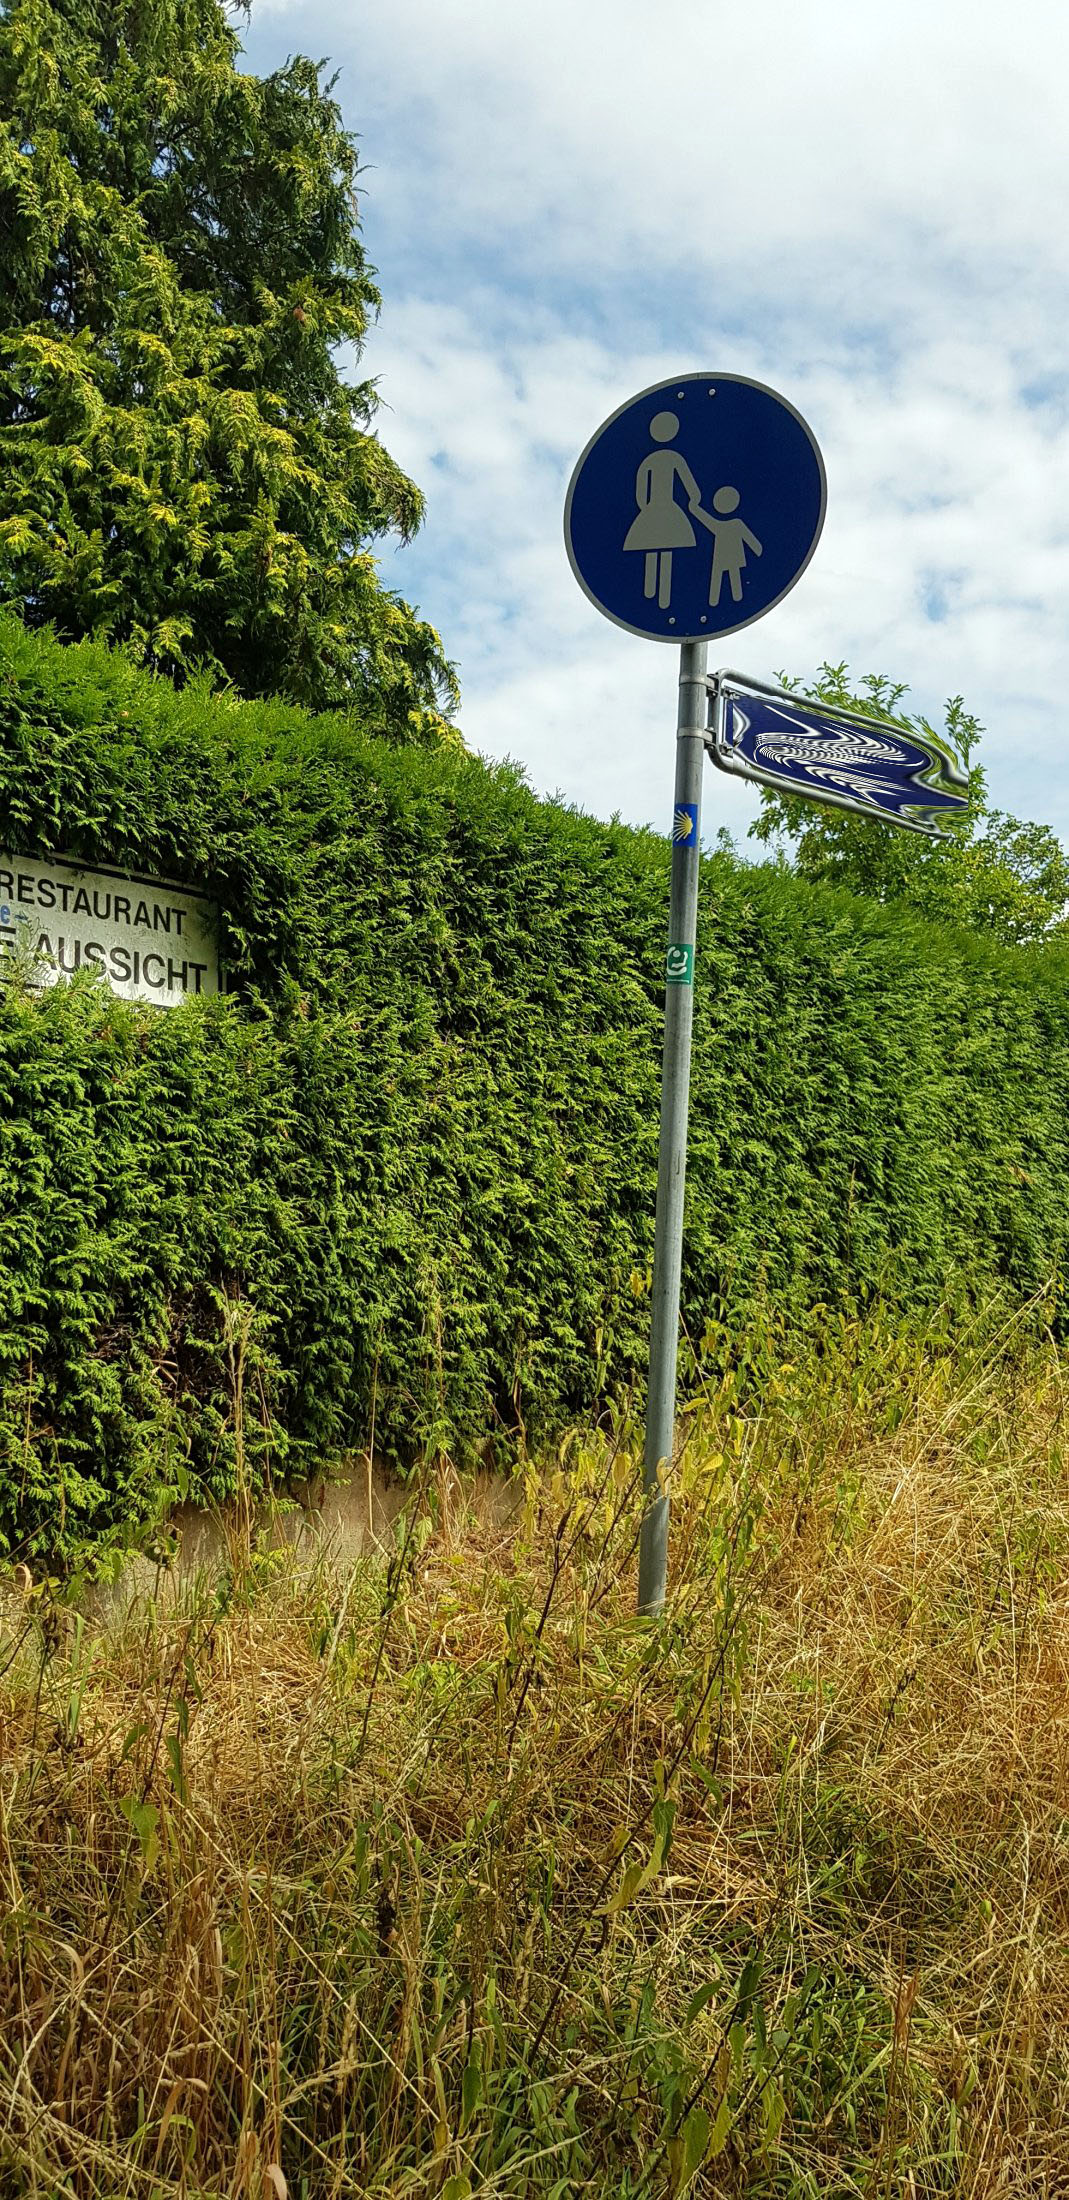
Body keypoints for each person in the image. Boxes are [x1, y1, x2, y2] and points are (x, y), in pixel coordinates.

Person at [623, 411, 712, 610]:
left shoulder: (650, 460)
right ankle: (661, 597)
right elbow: (688, 482)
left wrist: (645, 507)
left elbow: (640, 490)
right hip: (669, 508)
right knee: (668, 548)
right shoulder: (673, 457)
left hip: (653, 508)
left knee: (652, 546)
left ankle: (651, 592)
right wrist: (694, 498)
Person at [706, 486, 762, 606]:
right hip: (727, 556)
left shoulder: (728, 524)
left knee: (722, 577)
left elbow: (748, 537)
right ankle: (719, 600)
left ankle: (716, 601)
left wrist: (757, 549)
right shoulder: (732, 524)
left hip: (724, 556)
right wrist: (757, 549)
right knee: (724, 576)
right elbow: (749, 538)